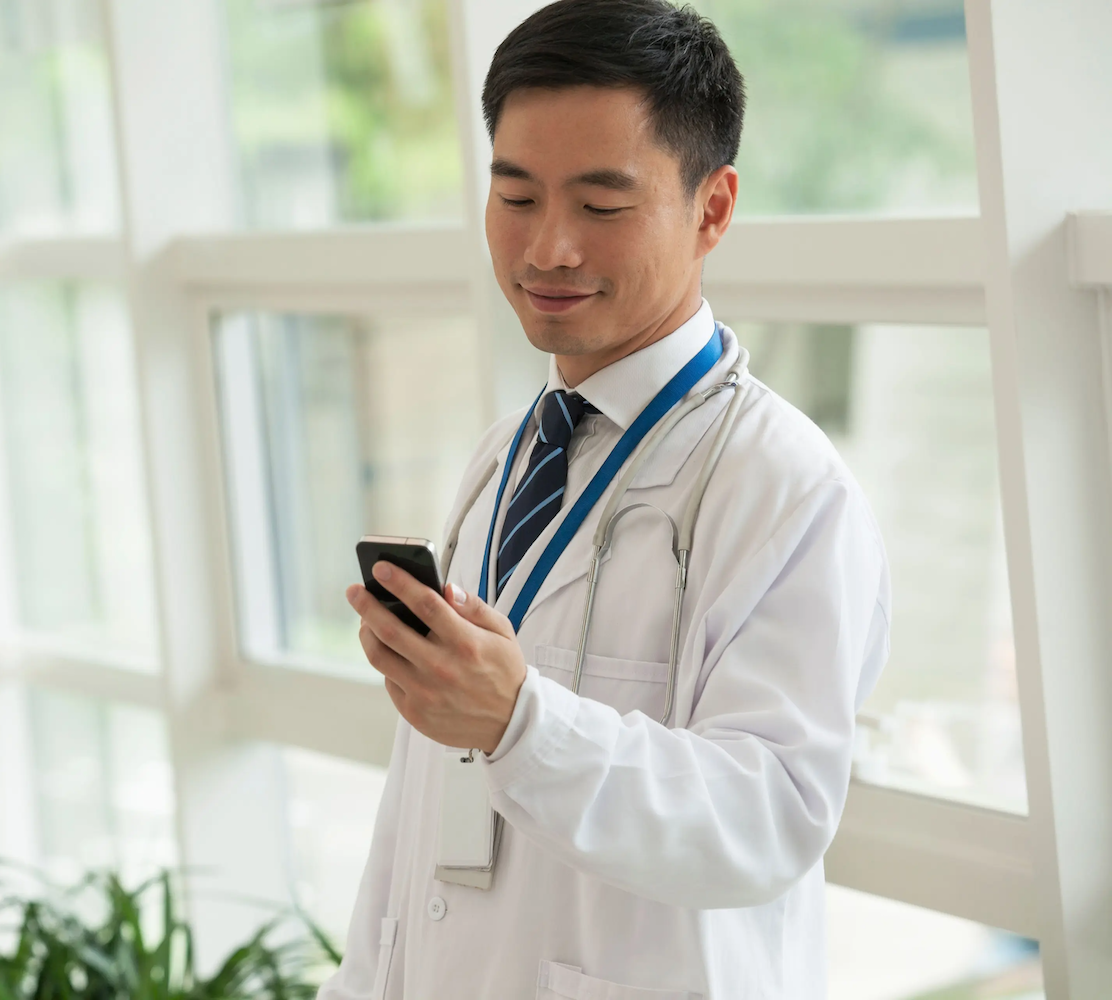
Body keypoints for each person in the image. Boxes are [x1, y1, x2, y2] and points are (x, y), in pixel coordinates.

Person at [321, 1, 891, 998]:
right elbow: (414, 821)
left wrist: (521, 723)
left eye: (600, 205)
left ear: (712, 208)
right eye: (516, 196)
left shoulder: (786, 487)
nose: (548, 250)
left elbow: (769, 817)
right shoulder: (509, 456)